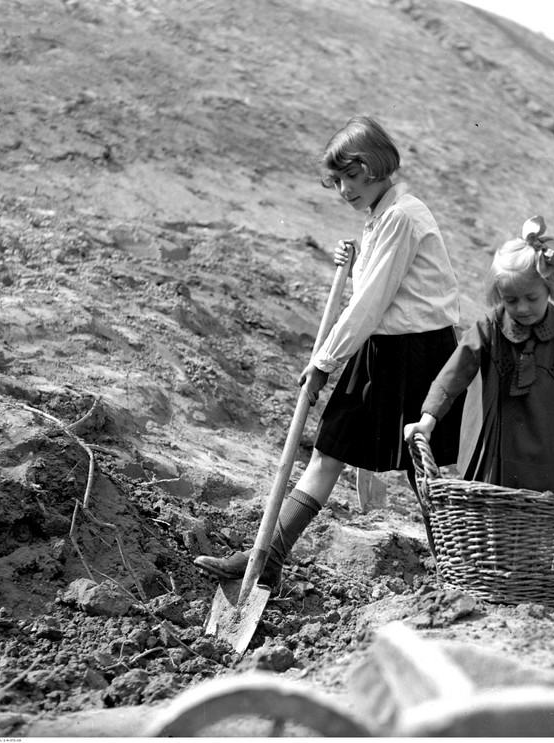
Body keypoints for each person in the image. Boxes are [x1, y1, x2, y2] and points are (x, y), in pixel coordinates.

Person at [194, 115, 464, 590]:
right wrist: (358, 260)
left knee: (427, 469)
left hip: (418, 353)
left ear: (373, 167)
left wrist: (324, 361)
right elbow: (378, 289)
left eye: (347, 178)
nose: (341, 190)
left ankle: (460, 570)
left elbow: (371, 301)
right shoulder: (382, 214)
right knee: (328, 452)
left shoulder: (402, 215)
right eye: (336, 181)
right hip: (382, 348)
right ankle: (267, 557)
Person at [404, 216, 554, 495]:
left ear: (550, 288)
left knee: (541, 509)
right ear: (499, 294)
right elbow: (453, 375)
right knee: (489, 507)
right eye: (510, 300)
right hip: (494, 444)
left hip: (545, 443)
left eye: (531, 298)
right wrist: (427, 422)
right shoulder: (488, 328)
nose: (522, 308)